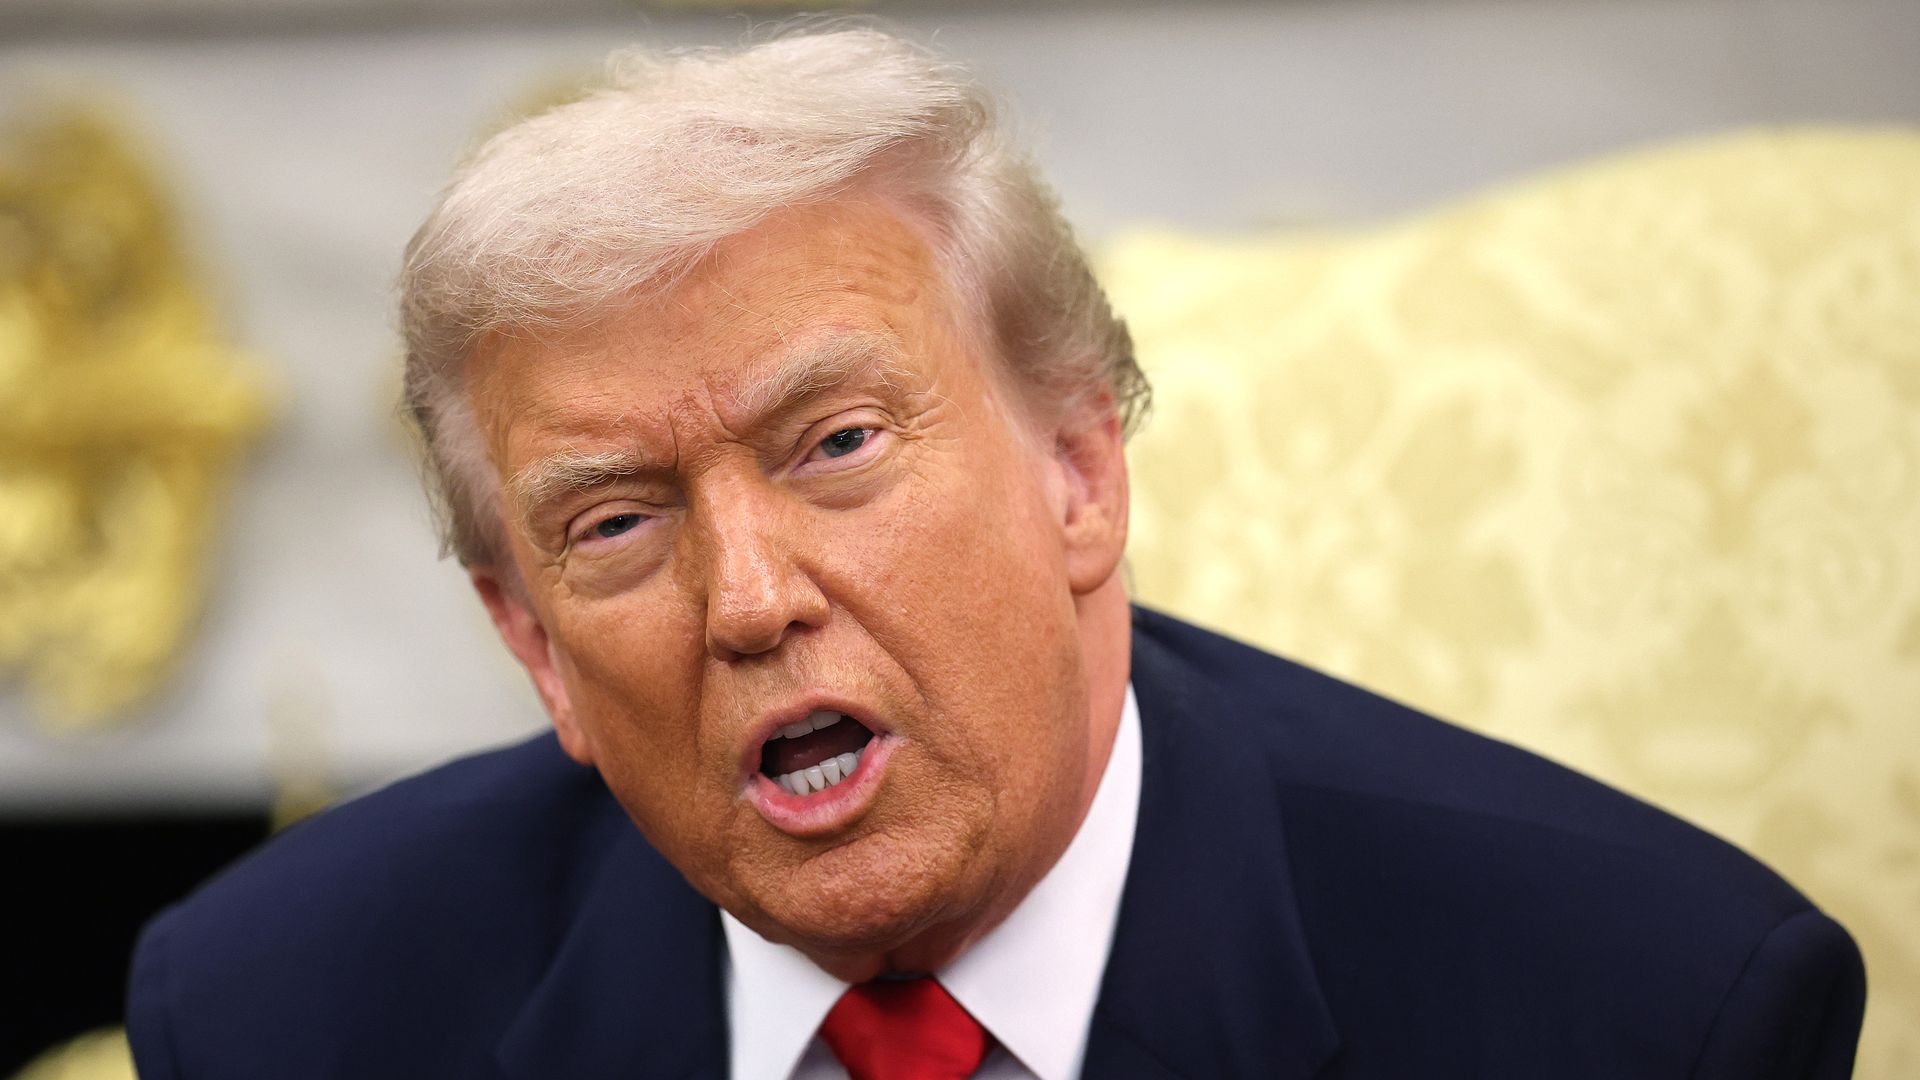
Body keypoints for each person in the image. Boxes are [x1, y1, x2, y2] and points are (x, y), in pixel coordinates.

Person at [125, 26, 1865, 1080]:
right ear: (533, 648)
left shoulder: (1645, 1006)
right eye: (619, 522)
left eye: (837, 446)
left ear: (1079, 471)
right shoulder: (281, 1012)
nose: (753, 601)